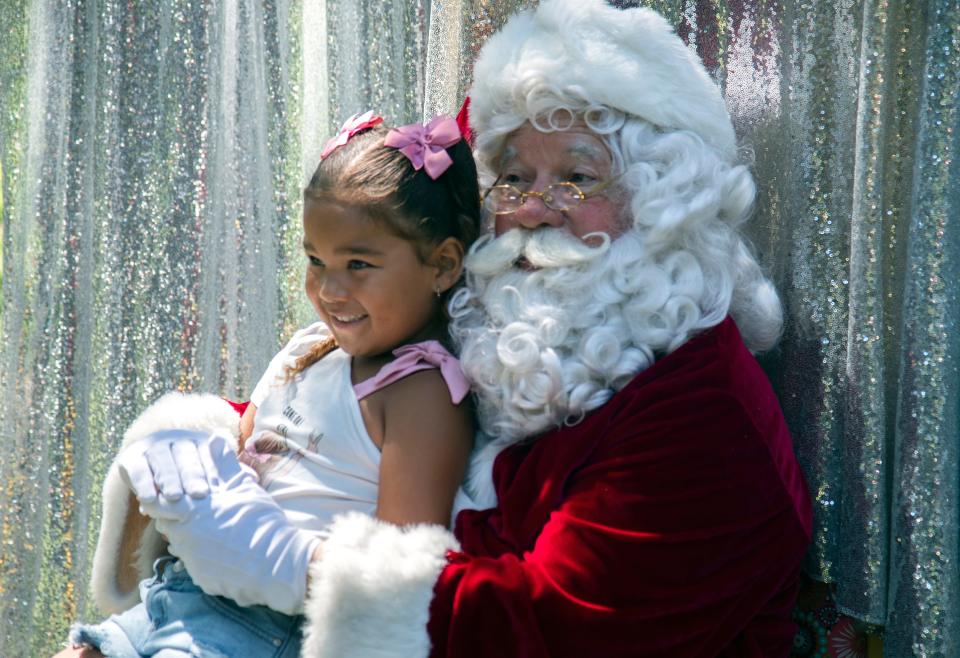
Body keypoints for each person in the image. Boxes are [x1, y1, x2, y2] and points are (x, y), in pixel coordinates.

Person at [67, 1, 813, 656]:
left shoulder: (708, 419)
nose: (533, 209)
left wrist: (292, 564)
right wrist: (199, 437)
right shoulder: (515, 313)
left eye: (579, 178)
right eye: (514, 178)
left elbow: (547, 631)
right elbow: (348, 422)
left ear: (663, 201)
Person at [56, 113, 482, 657]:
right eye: (315, 260)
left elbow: (394, 573)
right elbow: (247, 453)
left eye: (358, 264)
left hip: (267, 627)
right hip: (184, 592)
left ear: (443, 265)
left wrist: (262, 550)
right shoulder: (307, 349)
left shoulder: (420, 392)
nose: (329, 289)